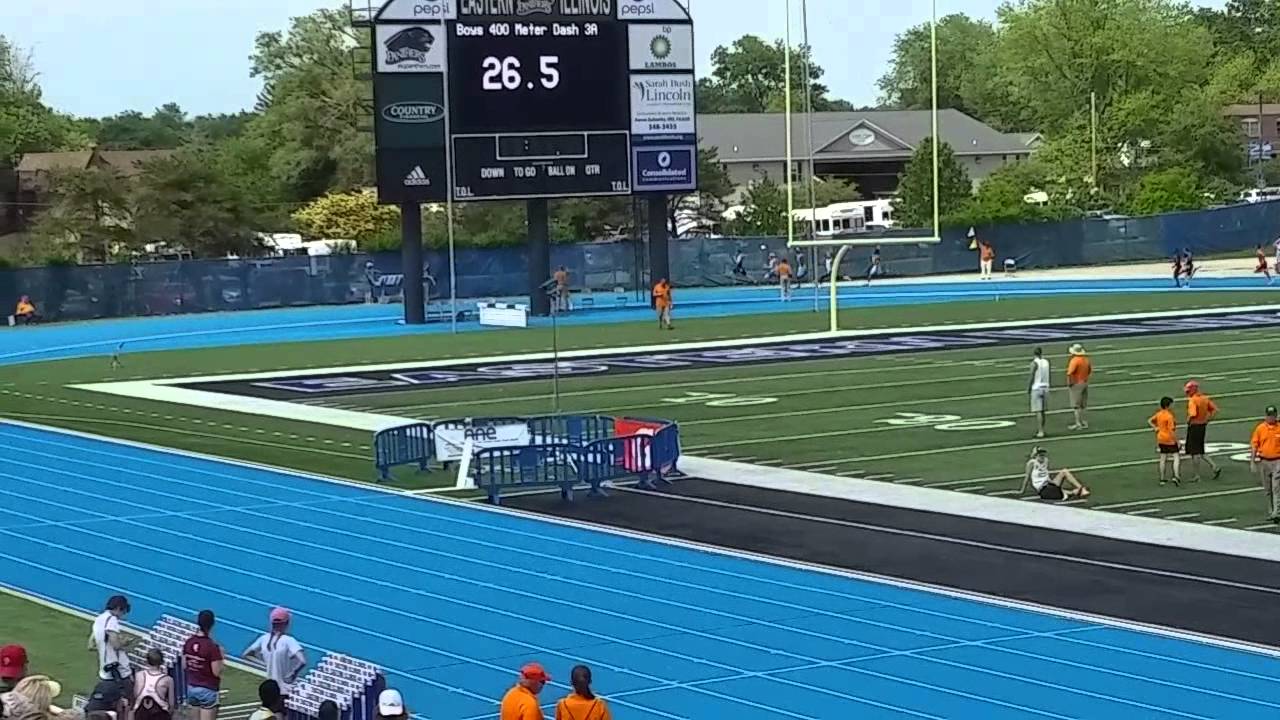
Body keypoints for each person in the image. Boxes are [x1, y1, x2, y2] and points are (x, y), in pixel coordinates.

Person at [242, 608, 306, 699]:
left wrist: (264, 664)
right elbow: (302, 661)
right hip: (285, 690)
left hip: (271, 688)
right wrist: (293, 673)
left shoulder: (263, 639)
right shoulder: (289, 640)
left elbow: (246, 654)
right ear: (286, 623)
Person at [89, 595, 135, 702]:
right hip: (118, 671)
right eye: (123, 612)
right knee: (128, 701)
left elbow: (91, 645)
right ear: (119, 608)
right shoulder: (112, 620)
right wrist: (125, 642)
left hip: (104, 670)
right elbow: (116, 645)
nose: (121, 617)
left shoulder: (98, 619)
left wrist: (104, 647)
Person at [182, 610, 224, 720]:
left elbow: (184, 666)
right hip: (207, 689)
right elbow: (216, 672)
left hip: (191, 687)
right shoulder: (212, 647)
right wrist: (222, 658)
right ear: (212, 624)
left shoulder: (189, 642)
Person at [1183, 380, 1222, 482]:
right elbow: (1215, 410)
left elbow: (1192, 414)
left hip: (1194, 426)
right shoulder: (1204, 398)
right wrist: (1207, 419)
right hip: (1202, 425)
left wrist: (1188, 420)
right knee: (1200, 450)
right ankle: (1214, 466)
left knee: (1194, 452)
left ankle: (1197, 475)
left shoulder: (1193, 400)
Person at [1021, 447, 1090, 501]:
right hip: (1042, 488)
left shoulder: (1046, 460)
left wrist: (1052, 482)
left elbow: (1045, 474)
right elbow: (1027, 477)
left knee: (1064, 471)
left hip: (1049, 484)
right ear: (1036, 455)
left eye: (1043, 454)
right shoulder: (1032, 463)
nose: (1042, 456)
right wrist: (1022, 491)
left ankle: (1081, 489)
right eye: (1040, 455)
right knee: (1062, 492)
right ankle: (1074, 492)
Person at [1250, 405, 1280, 523]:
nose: (1271, 418)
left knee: (1276, 487)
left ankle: (1276, 512)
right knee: (1268, 489)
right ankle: (1271, 511)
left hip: (1278, 460)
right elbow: (1254, 445)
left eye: (1273, 416)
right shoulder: (1260, 428)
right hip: (1264, 461)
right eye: (1269, 415)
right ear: (1265, 416)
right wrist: (1252, 461)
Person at [1148, 396, 1182, 486]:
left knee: (1163, 457)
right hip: (1169, 438)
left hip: (1160, 438)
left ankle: (1162, 478)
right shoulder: (1169, 416)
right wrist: (1177, 441)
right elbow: (1171, 430)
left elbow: (1150, 421)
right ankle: (1176, 476)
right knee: (1176, 456)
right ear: (1168, 405)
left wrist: (1156, 428)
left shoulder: (1159, 414)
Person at [133, 648, 175, 720]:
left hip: (140, 713)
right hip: (159, 714)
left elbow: (135, 695)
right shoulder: (168, 679)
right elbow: (172, 704)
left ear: (147, 661)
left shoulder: (138, 675)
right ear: (162, 662)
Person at [1065, 344, 1092, 430]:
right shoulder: (1086, 360)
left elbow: (1069, 373)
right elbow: (1089, 370)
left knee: (1076, 406)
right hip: (1084, 382)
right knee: (1083, 405)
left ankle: (1078, 423)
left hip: (1076, 384)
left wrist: (1069, 383)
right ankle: (1084, 422)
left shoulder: (1074, 360)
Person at [1028, 347, 1051, 439]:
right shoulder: (1046, 362)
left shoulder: (1034, 363)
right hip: (1045, 387)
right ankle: (1043, 429)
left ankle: (1040, 431)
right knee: (1043, 411)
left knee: (1038, 411)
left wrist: (1028, 388)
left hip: (1037, 388)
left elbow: (1031, 376)